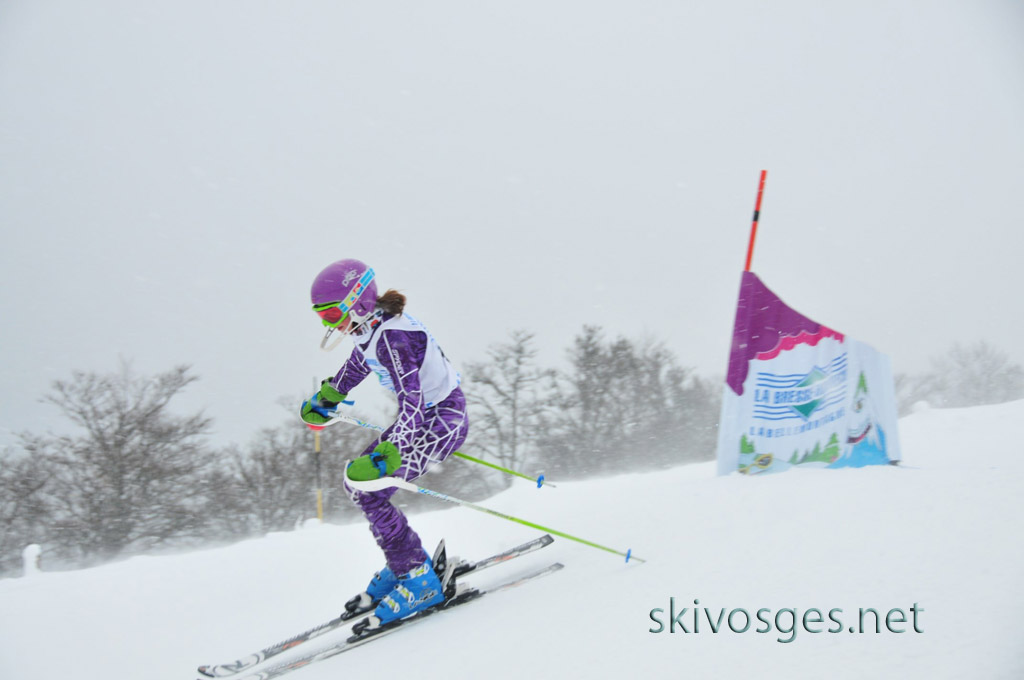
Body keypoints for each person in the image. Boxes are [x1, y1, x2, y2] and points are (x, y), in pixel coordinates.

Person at [299, 258, 469, 627]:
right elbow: (361, 362)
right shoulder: (371, 328)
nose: (328, 324)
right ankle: (405, 561)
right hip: (423, 419)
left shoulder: (393, 337)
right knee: (358, 484)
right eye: (322, 316)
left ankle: (419, 579)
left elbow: (413, 399)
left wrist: (391, 452)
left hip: (441, 419)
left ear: (357, 302)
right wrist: (330, 395)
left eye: (332, 314)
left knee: (368, 487)